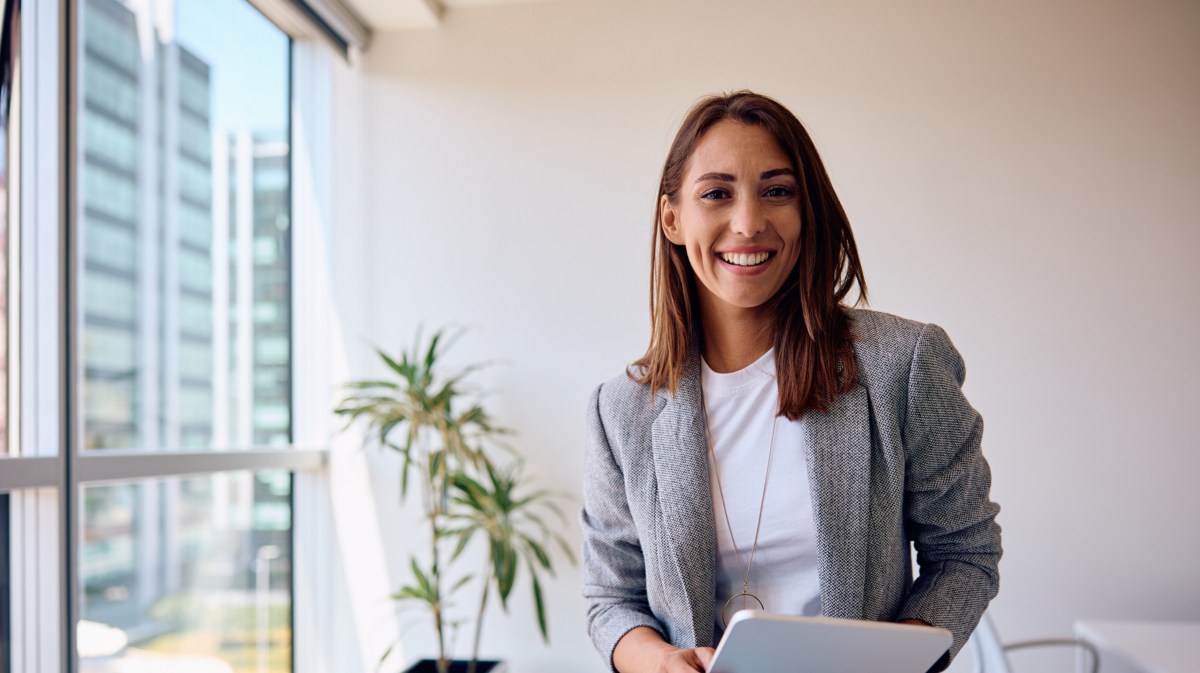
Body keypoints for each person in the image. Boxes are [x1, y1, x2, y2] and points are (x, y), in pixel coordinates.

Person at [580, 91, 1001, 673]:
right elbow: (611, 600)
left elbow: (965, 554)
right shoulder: (620, 410)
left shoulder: (900, 365)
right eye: (716, 194)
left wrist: (880, 666)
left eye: (777, 191)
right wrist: (657, 663)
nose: (748, 222)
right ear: (672, 218)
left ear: (807, 212)